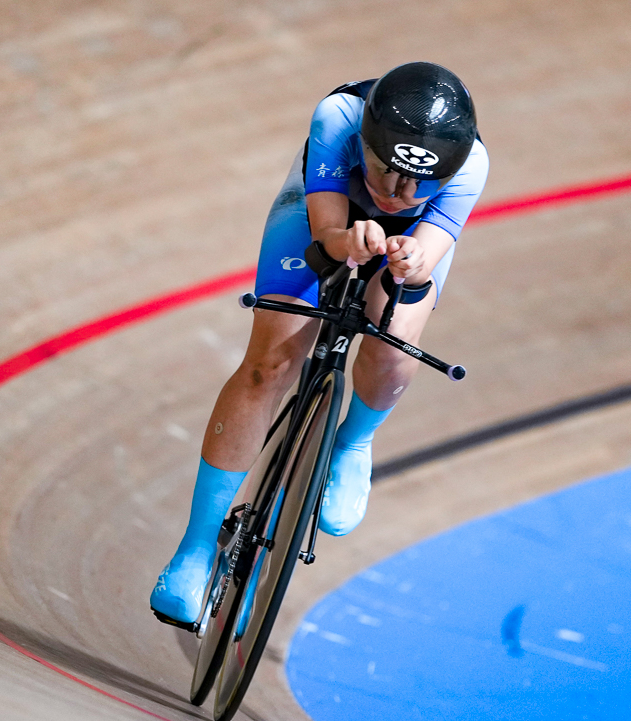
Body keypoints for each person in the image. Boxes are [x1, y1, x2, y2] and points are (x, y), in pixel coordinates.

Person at [150, 62, 489, 627]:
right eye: (386, 172)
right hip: (325, 219)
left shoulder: (472, 163)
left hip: (409, 246)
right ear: (366, 143)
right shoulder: (339, 116)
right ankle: (195, 549)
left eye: (417, 184)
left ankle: (352, 444)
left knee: (395, 351)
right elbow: (327, 233)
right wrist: (347, 238)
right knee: (269, 364)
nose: (398, 192)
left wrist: (406, 258)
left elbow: (427, 256)